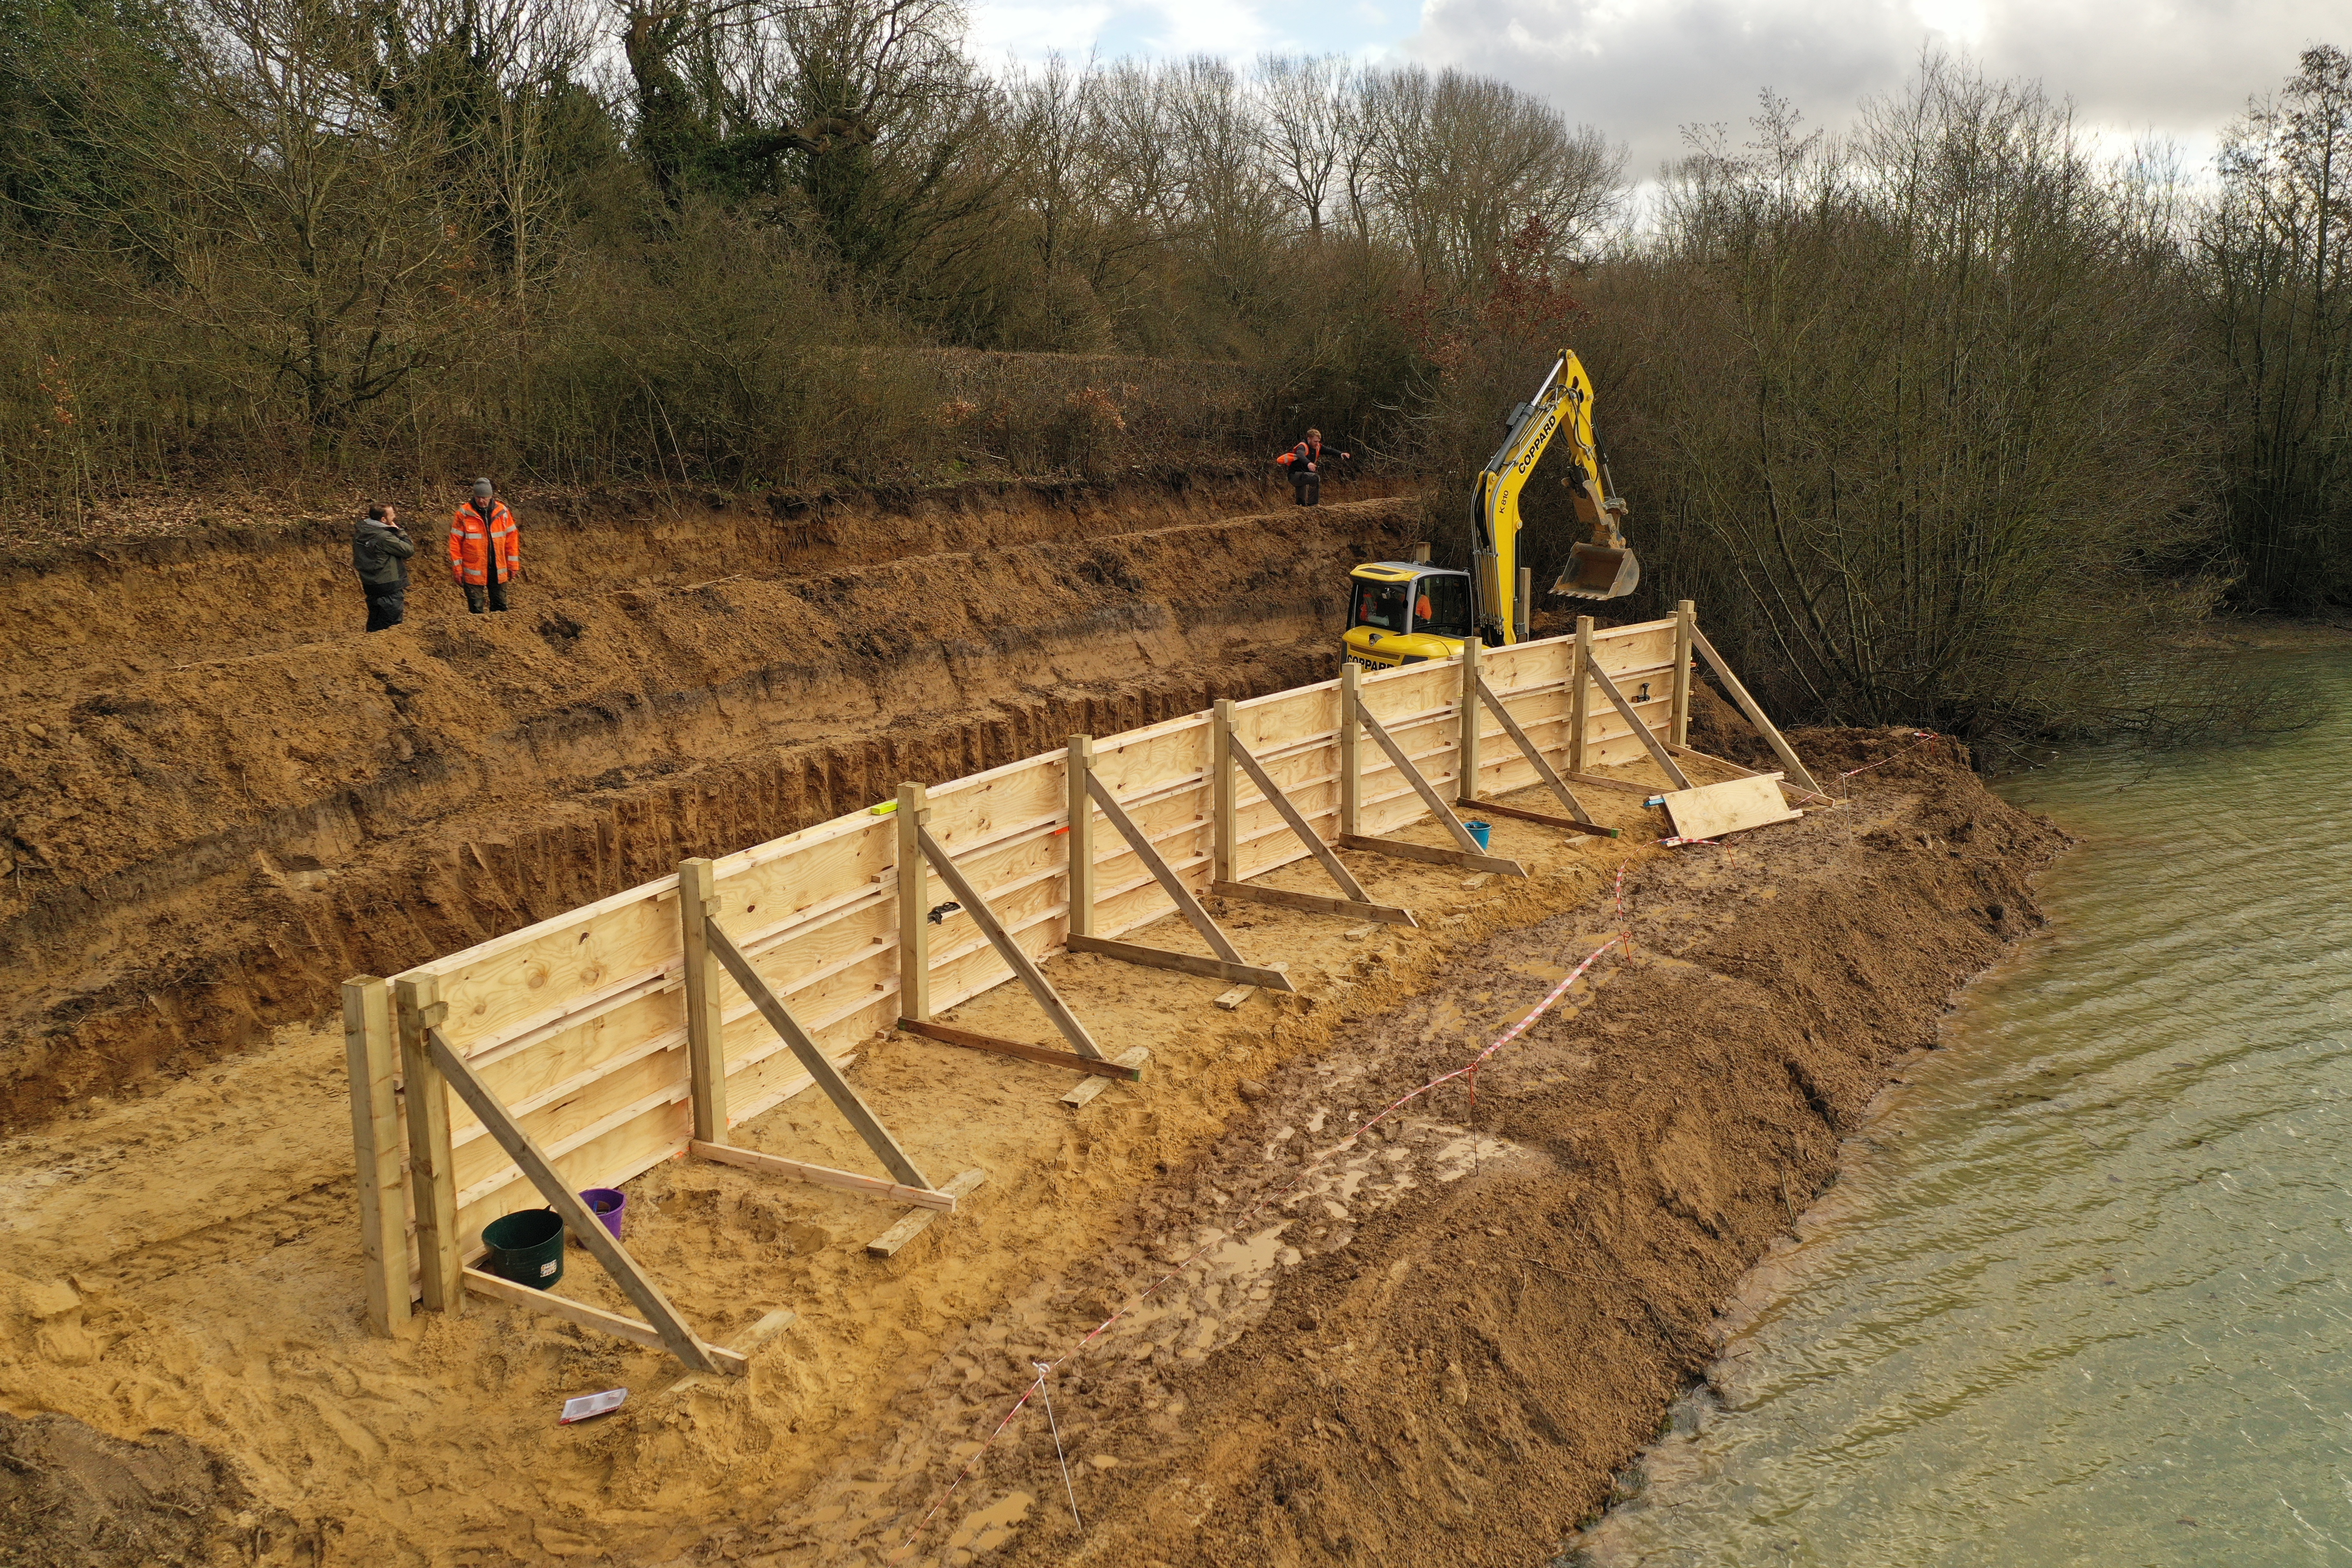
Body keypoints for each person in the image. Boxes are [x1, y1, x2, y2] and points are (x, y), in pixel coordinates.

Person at [449, 477, 520, 613]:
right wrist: (458, 570)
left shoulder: (503, 512)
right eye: (478, 497)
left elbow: (512, 541)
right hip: (473, 571)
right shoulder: (464, 514)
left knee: (501, 609)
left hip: (498, 569)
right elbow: (455, 544)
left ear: (491, 496)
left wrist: (513, 566)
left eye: (484, 497)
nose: (481, 501)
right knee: (476, 611)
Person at [352, 502, 415, 632]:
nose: (395, 517)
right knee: (391, 627)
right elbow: (408, 551)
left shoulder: (361, 532)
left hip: (370, 584)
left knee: (375, 622)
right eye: (392, 515)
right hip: (389, 586)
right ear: (383, 520)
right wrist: (399, 531)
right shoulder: (384, 537)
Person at [1275, 429, 1349, 506]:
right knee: (1315, 478)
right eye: (1315, 441)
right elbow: (1300, 455)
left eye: (1318, 441)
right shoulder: (1302, 446)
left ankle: (1301, 509)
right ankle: (1313, 505)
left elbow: (1330, 451)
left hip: (1303, 476)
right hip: (1295, 476)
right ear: (1309, 439)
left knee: (1301, 504)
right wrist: (1309, 463)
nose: (1317, 444)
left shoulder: (1318, 447)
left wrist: (1341, 454)